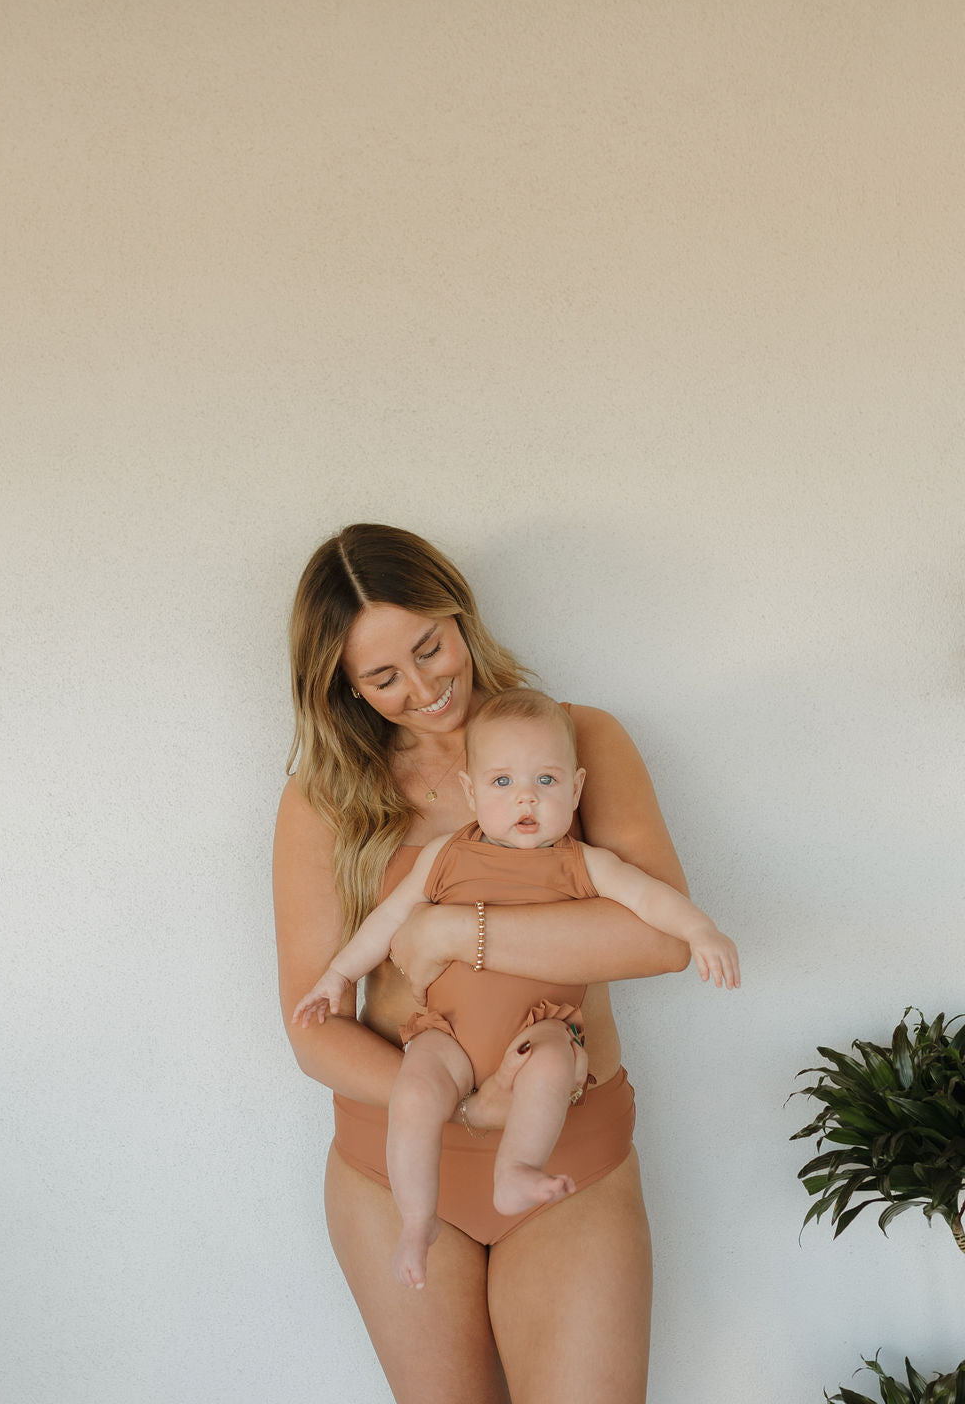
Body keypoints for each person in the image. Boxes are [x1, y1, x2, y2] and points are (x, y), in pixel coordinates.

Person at [274, 523, 695, 1404]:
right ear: (343, 687)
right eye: (383, 677)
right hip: (395, 1165)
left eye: (430, 647)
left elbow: (659, 938)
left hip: (569, 1154)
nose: (425, 688)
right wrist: (462, 1105)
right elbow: (313, 1035)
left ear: (459, 613)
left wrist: (453, 933)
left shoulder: (579, 741)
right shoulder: (327, 798)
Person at [291, 688, 739, 1290]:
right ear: (471, 793)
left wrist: (702, 930)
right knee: (418, 1094)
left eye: (546, 782)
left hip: (538, 1031)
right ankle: (417, 1219)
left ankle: (518, 1169)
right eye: (502, 783)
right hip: (445, 1037)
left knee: (553, 1064)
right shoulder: (446, 857)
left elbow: (654, 903)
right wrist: (338, 975)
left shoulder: (581, 862)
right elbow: (387, 923)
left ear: (575, 791)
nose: (526, 796)